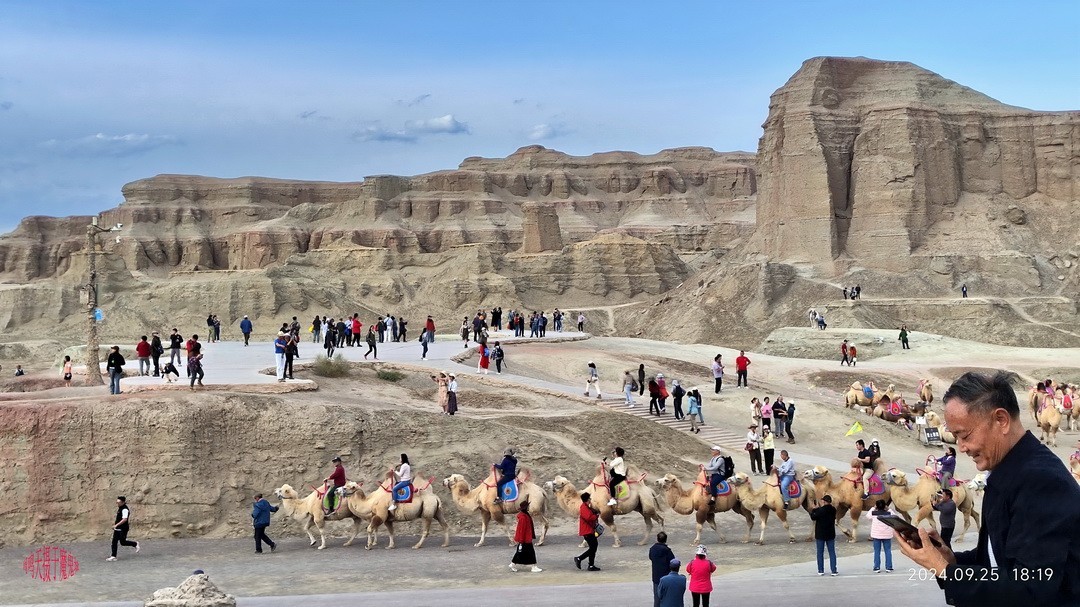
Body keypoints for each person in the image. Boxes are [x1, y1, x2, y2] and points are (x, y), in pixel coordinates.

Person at [898, 371, 1080, 607]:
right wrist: (951, 560)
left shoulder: (1041, 482)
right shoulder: (1007, 471)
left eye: (964, 435)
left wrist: (945, 571)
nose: (961, 447)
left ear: (1001, 420)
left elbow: (1031, 586)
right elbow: (998, 559)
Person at [509, 498, 541, 572]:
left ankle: (513, 564)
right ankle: (533, 566)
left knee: (521, 552)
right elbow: (522, 529)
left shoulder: (524, 515)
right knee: (529, 553)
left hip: (526, 538)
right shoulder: (523, 517)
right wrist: (521, 540)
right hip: (525, 539)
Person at [811, 495, 838, 575]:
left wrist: (814, 509)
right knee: (832, 552)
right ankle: (834, 570)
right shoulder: (833, 510)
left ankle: (821, 570)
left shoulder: (820, 510)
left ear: (824, 501)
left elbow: (813, 517)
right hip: (830, 533)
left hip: (820, 534)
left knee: (820, 553)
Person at [574, 492, 602, 571]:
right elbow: (589, 517)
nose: (590, 500)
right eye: (589, 499)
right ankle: (579, 558)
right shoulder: (584, 508)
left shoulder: (585, 507)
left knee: (593, 547)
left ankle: (591, 565)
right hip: (587, 531)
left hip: (588, 530)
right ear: (587, 500)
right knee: (593, 548)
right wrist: (596, 516)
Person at [107, 496, 139, 561]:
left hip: (123, 528)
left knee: (121, 542)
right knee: (117, 541)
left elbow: (124, 519)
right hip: (118, 528)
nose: (117, 504)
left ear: (123, 502)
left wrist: (116, 525)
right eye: (117, 502)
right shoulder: (120, 508)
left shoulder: (125, 509)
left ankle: (135, 544)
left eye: (119, 502)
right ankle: (113, 556)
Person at [649, 531, 676, 607]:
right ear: (665, 540)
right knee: (667, 598)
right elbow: (673, 561)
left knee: (657, 598)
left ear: (657, 539)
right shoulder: (667, 550)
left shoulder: (652, 549)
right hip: (666, 576)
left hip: (656, 576)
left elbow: (651, 557)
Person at [867, 499, 895, 572]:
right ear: (885, 506)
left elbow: (867, 516)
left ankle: (877, 567)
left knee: (877, 551)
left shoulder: (873, 513)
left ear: (877, 506)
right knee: (888, 551)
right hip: (887, 535)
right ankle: (889, 567)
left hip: (876, 535)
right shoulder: (889, 513)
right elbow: (895, 516)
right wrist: (888, 508)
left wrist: (873, 507)